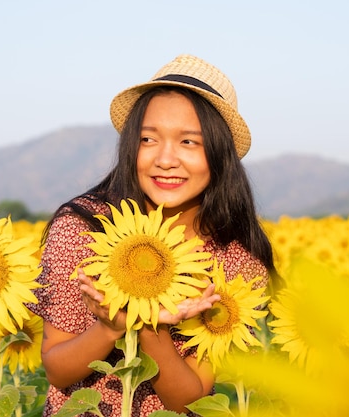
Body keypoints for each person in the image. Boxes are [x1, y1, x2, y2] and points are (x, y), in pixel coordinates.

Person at [27, 54, 278, 416]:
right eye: (148, 139)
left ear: (220, 153)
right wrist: (110, 327)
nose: (165, 159)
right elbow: (57, 370)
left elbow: (191, 400)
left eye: (189, 142)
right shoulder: (85, 227)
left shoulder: (235, 261)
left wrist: (146, 322)